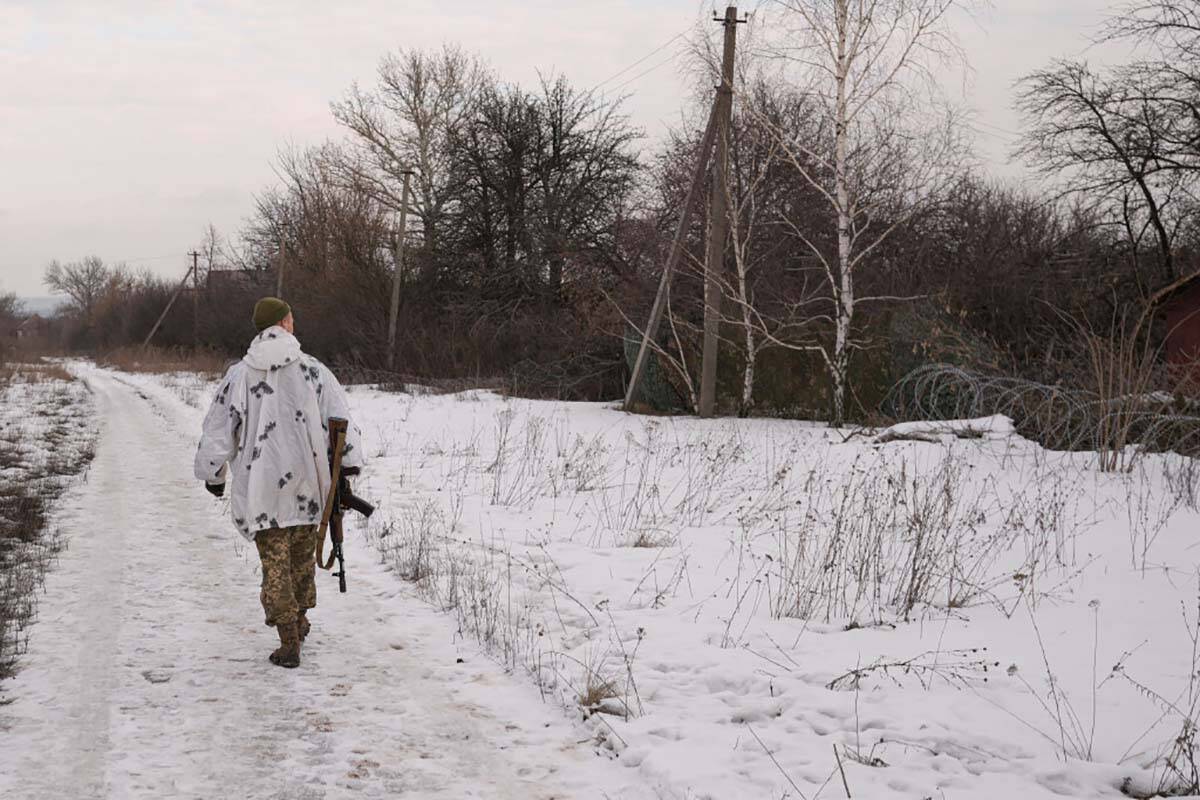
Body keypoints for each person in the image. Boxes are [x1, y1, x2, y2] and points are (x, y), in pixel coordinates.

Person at [194, 297, 363, 668]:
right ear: (284, 324)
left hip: (261, 488)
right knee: (302, 560)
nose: (294, 322)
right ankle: (297, 624)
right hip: (308, 484)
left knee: (275, 565)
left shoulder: (239, 375)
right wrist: (348, 468)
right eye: (291, 318)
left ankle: (290, 633)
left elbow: (220, 427)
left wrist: (213, 473)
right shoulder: (313, 370)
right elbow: (340, 421)